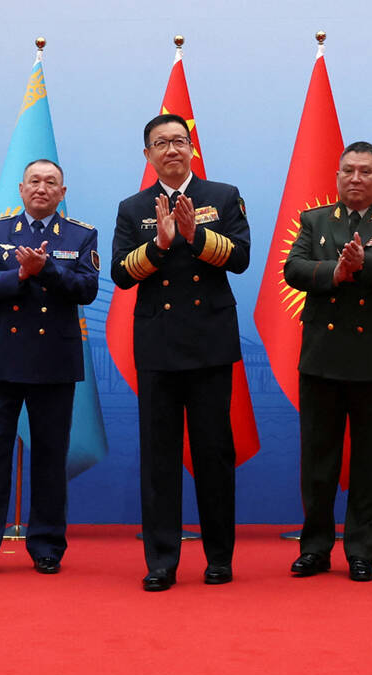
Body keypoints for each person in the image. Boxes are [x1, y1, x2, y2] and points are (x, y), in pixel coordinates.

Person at [112, 113, 250, 591]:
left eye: (179, 141)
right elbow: (120, 274)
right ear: (147, 154)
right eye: (160, 143)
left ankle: (219, 558)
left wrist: (196, 236)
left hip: (209, 342)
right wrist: (159, 244)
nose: (171, 149)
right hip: (158, 346)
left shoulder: (223, 196)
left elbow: (241, 258)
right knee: (159, 459)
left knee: (214, 455)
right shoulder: (133, 207)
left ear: (192, 148)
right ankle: (162, 561)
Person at [283, 141, 372, 582]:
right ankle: (315, 549)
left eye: (365, 172)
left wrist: (364, 266)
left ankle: (362, 551)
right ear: (337, 176)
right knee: (318, 461)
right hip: (321, 357)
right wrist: (335, 272)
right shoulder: (315, 220)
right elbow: (293, 269)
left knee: (371, 462)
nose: (355, 178)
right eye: (348, 171)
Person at [0, 159, 99, 578]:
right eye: (34, 181)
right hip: (3, 360)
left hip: (54, 361)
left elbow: (87, 289)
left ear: (62, 192)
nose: (42, 188)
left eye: (51, 182)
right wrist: (19, 275)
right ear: (21, 189)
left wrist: (47, 270)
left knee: (51, 458)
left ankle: (47, 547)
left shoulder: (81, 235)